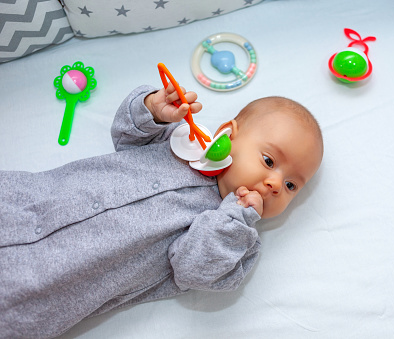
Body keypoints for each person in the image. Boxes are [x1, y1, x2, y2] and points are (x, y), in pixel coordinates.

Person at [0, 83, 323, 338]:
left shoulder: (238, 240)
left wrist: (234, 219)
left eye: (292, 186)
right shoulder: (182, 143)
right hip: (26, 200)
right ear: (228, 134)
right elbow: (126, 135)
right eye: (269, 161)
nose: (274, 184)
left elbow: (194, 270)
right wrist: (152, 110)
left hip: (43, 285)